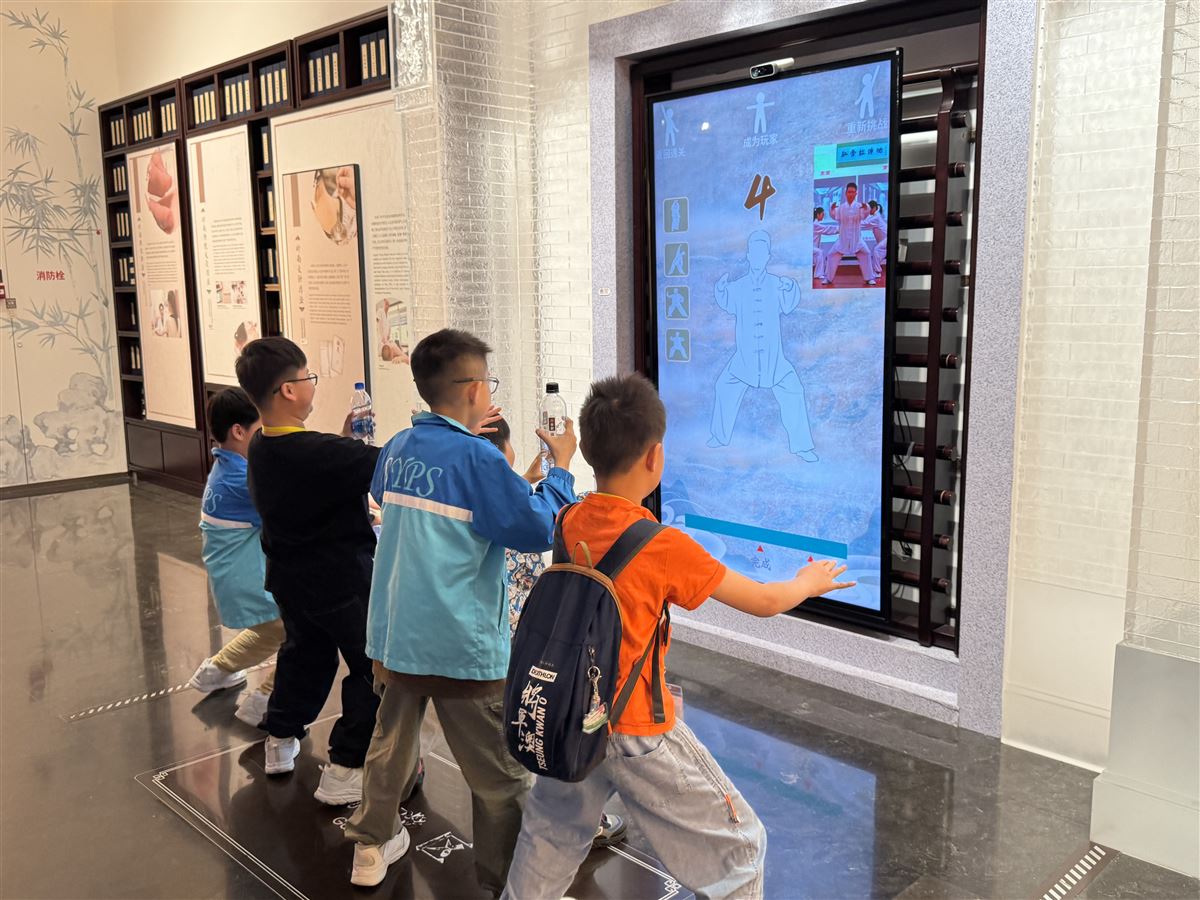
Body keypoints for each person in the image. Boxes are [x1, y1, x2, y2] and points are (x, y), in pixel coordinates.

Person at [502, 373, 856, 900]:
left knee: (548, 841)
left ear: (589, 451)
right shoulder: (663, 546)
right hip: (636, 730)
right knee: (742, 851)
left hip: (572, 714)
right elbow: (763, 601)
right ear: (655, 457)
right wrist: (808, 581)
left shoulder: (570, 519)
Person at [343, 329, 578, 892]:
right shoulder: (478, 458)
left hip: (396, 636)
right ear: (474, 390)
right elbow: (537, 528)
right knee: (498, 777)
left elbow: (390, 495)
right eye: (488, 382)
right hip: (461, 646)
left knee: (390, 748)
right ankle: (506, 881)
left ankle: (370, 846)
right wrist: (561, 467)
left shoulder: (398, 445)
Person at [235, 337, 381, 806]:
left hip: (289, 580)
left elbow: (319, 467)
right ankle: (347, 767)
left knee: (304, 656)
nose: (311, 385)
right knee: (371, 667)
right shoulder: (321, 452)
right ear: (288, 390)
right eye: (308, 378)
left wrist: (342, 442)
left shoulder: (262, 444)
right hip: (341, 582)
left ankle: (280, 740)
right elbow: (383, 463)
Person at [188, 388, 283, 729]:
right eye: (261, 429)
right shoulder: (241, 480)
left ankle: (216, 671)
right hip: (248, 581)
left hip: (234, 580)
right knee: (306, 634)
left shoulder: (226, 468)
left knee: (271, 630)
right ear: (239, 431)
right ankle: (265, 703)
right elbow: (293, 509)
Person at [709, 230, 818, 462]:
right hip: (744, 359)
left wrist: (791, 288)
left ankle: (802, 447)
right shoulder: (738, 286)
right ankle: (719, 436)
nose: (758, 257)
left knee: (795, 391)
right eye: (754, 252)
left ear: (768, 256)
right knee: (724, 386)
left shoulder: (777, 284)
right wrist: (720, 289)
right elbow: (726, 301)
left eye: (762, 253)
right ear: (749, 255)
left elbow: (789, 305)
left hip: (774, 360)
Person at [823, 182, 876, 286]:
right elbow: (834, 216)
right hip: (843, 239)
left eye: (852, 192)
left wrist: (866, 208)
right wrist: (832, 209)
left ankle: (869, 278)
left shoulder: (860, 206)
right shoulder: (841, 207)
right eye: (849, 192)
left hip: (856, 239)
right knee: (831, 254)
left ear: (856, 193)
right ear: (845, 193)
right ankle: (828, 278)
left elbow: (865, 215)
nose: (850, 194)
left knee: (866, 253)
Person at [812, 207, 839, 283]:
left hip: (812, 247)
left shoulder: (815, 224)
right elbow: (827, 229)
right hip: (809, 247)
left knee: (819, 253)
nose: (823, 216)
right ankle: (818, 274)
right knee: (820, 252)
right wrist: (840, 229)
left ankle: (819, 273)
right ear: (818, 215)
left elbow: (827, 229)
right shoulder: (815, 224)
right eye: (822, 214)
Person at [863, 199, 887, 280]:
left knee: (876, 249)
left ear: (874, 208)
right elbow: (866, 223)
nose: (868, 211)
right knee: (876, 251)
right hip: (884, 241)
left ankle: (877, 272)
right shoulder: (875, 217)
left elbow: (865, 223)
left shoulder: (876, 218)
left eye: (869, 209)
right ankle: (875, 270)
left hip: (887, 240)